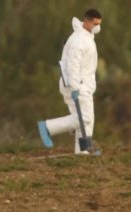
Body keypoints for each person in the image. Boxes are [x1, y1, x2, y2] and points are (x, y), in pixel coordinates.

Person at [37, 9, 102, 154]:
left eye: (99, 24)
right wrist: (75, 87)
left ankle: (82, 152)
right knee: (83, 118)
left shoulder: (87, 37)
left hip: (85, 85)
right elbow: (72, 65)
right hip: (77, 85)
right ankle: (48, 127)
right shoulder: (78, 40)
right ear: (86, 21)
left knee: (87, 120)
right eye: (95, 23)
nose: (97, 27)